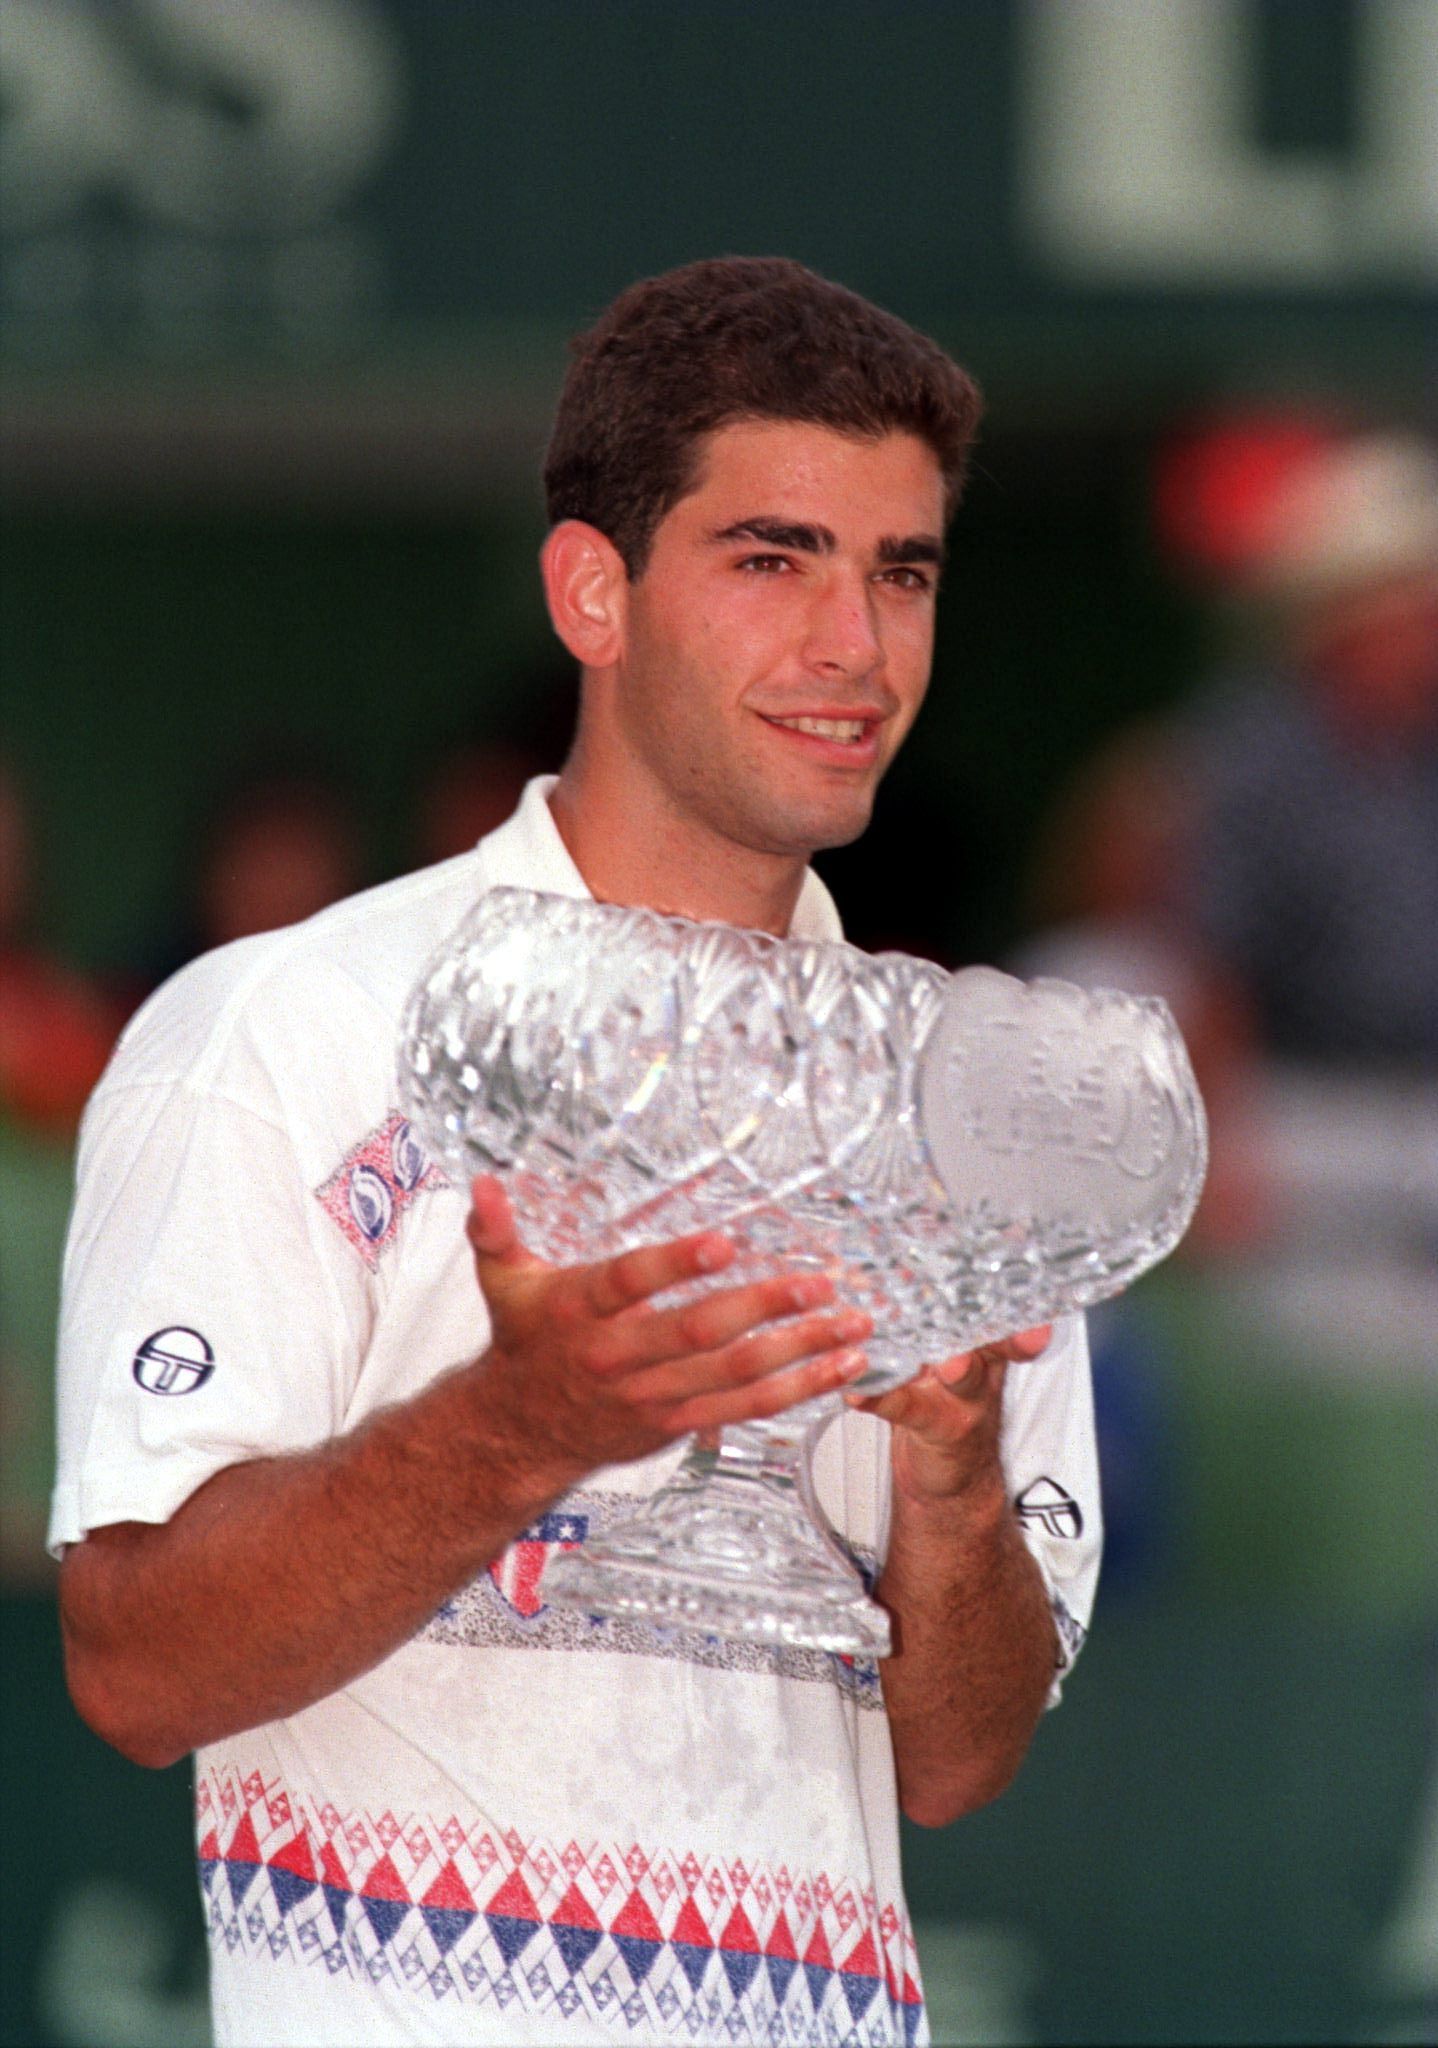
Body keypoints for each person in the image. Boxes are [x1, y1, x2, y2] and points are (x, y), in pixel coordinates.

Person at [51, 259, 1101, 2048]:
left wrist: (948, 1487)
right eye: (772, 559)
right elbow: (138, 1667)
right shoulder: (283, 1026)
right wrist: (525, 1422)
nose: (854, 646)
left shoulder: (962, 1104)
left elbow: (960, 1757)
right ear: (590, 593)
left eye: (899, 571)